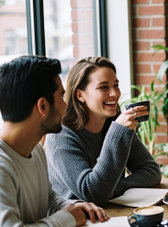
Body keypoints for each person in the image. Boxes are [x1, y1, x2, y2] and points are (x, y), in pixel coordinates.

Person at [0, 55, 108, 227]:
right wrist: (68, 218)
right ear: (43, 106)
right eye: (61, 96)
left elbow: (49, 201)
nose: (65, 105)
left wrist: (77, 206)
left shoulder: (35, 149)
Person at [45, 57, 161, 207]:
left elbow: (151, 171)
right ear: (80, 95)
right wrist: (118, 132)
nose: (115, 94)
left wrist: (118, 187)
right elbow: (92, 193)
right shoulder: (60, 136)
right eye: (103, 88)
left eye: (116, 85)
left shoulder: (113, 127)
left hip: (113, 214)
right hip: (78, 223)